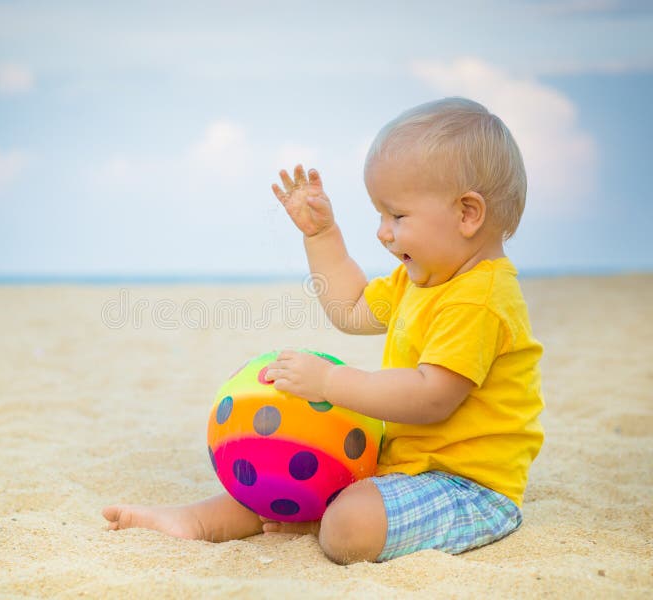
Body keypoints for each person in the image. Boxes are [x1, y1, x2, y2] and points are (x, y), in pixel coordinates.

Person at [103, 97, 544, 565]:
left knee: (349, 526)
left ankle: (320, 521)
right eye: (379, 216)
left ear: (467, 214)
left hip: (468, 487)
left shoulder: (479, 297)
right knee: (288, 460)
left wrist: (330, 383)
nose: (382, 232)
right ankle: (195, 521)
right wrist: (321, 237)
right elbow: (350, 308)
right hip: (403, 469)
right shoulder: (424, 279)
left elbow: (432, 396)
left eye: (397, 216)